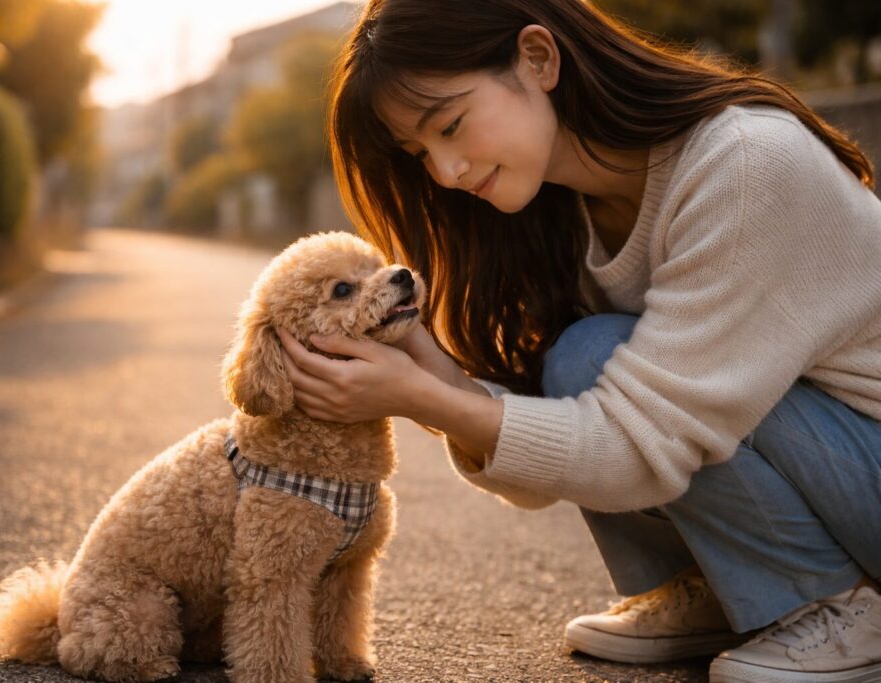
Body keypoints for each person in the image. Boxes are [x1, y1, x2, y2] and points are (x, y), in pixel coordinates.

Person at [276, 1, 881, 681]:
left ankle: (836, 605)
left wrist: (427, 400)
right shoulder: (562, 210)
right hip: (842, 471)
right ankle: (723, 582)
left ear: (538, 59)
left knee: (595, 358)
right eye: (422, 154)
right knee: (580, 360)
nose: (444, 171)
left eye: (449, 125)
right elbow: (557, 454)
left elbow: (628, 443)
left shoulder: (742, 166)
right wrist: (426, 369)